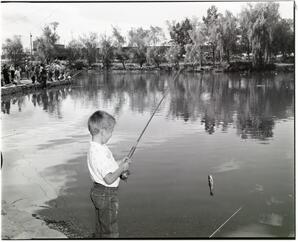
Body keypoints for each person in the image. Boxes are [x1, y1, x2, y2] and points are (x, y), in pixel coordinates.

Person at [87, 110, 130, 238]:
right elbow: (109, 179)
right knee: (110, 229)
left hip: (100, 191)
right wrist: (122, 169)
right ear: (103, 131)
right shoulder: (97, 153)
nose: (111, 135)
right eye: (111, 131)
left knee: (102, 225)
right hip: (106, 193)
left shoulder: (98, 148)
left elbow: (107, 167)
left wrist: (119, 163)